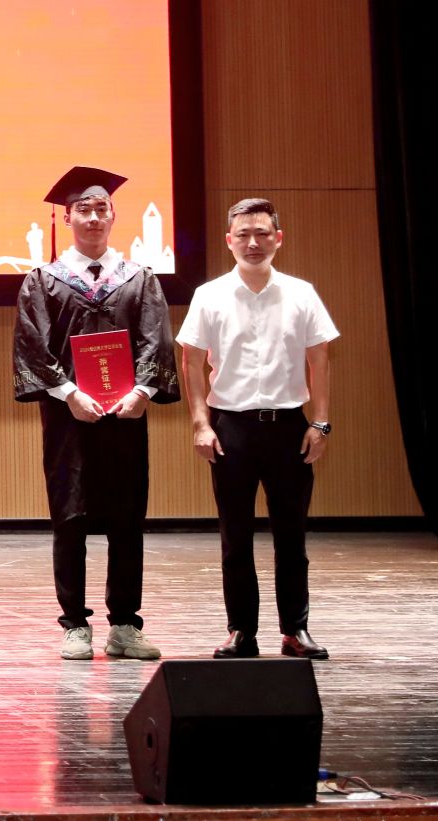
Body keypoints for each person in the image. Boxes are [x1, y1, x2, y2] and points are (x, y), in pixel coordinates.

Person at [12, 166, 177, 661]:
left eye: (101, 208)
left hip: (126, 415)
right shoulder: (43, 280)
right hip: (69, 418)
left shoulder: (138, 278)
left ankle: (124, 625)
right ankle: (75, 625)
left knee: (127, 519)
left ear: (113, 215)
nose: (93, 217)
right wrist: (68, 393)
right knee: (70, 518)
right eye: (82, 209)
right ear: (67, 218)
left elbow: (156, 338)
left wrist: (142, 392)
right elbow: (33, 345)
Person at [177, 196, 338, 660]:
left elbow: (320, 360)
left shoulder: (301, 293)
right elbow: (190, 362)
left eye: (262, 234)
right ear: (229, 241)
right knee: (236, 537)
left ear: (278, 239)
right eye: (243, 235)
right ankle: (241, 631)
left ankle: (295, 631)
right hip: (231, 429)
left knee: (292, 536)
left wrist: (321, 423)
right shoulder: (209, 295)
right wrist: (201, 423)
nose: (253, 243)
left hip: (289, 427)